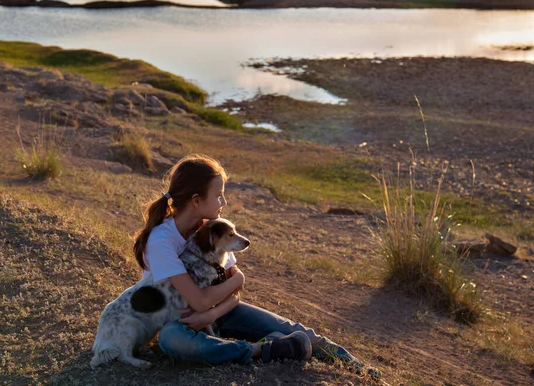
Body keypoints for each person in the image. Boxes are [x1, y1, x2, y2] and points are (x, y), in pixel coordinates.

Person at [133, 154, 381, 379]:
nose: (224, 201)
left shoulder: (213, 227)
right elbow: (198, 301)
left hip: (217, 311)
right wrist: (230, 287)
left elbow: (233, 291)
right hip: (180, 321)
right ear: (196, 200)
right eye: (219, 195)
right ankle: (262, 349)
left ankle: (359, 368)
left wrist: (213, 311)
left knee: (289, 328)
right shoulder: (162, 240)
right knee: (171, 340)